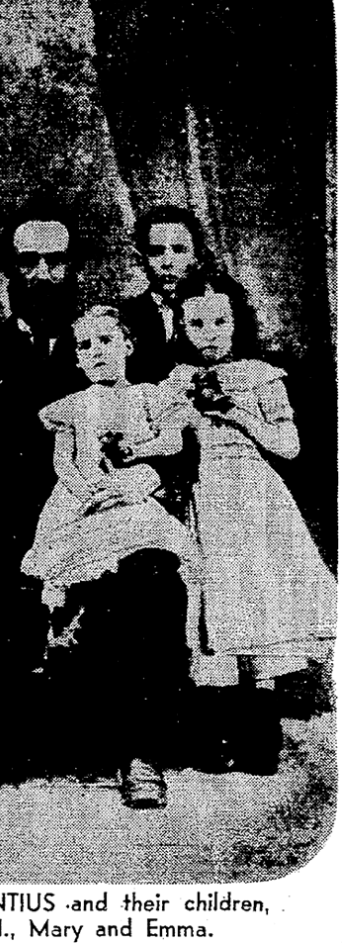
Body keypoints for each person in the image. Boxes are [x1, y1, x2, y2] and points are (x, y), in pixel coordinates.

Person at [21, 305, 197, 809]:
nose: (95, 354)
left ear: (128, 346)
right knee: (70, 563)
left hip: (133, 499)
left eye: (105, 342)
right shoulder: (72, 406)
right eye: (84, 347)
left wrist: (140, 464)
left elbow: (171, 443)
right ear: (75, 359)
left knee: (149, 563)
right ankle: (65, 614)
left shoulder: (149, 397)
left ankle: (142, 752)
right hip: (84, 502)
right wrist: (88, 490)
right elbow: (63, 463)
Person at [160, 269, 336, 773]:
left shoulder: (261, 375)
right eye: (196, 323)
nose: (209, 332)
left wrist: (238, 413)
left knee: (258, 607)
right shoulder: (176, 380)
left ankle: (261, 733)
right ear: (180, 325)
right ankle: (219, 732)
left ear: (237, 322)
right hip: (202, 496)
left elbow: (290, 446)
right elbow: (172, 442)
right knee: (214, 607)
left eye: (219, 321)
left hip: (254, 500)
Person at [121, 205, 213, 384]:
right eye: (156, 252)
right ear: (142, 260)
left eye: (179, 250)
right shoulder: (127, 316)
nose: (167, 262)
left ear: (197, 256)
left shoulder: (219, 311)